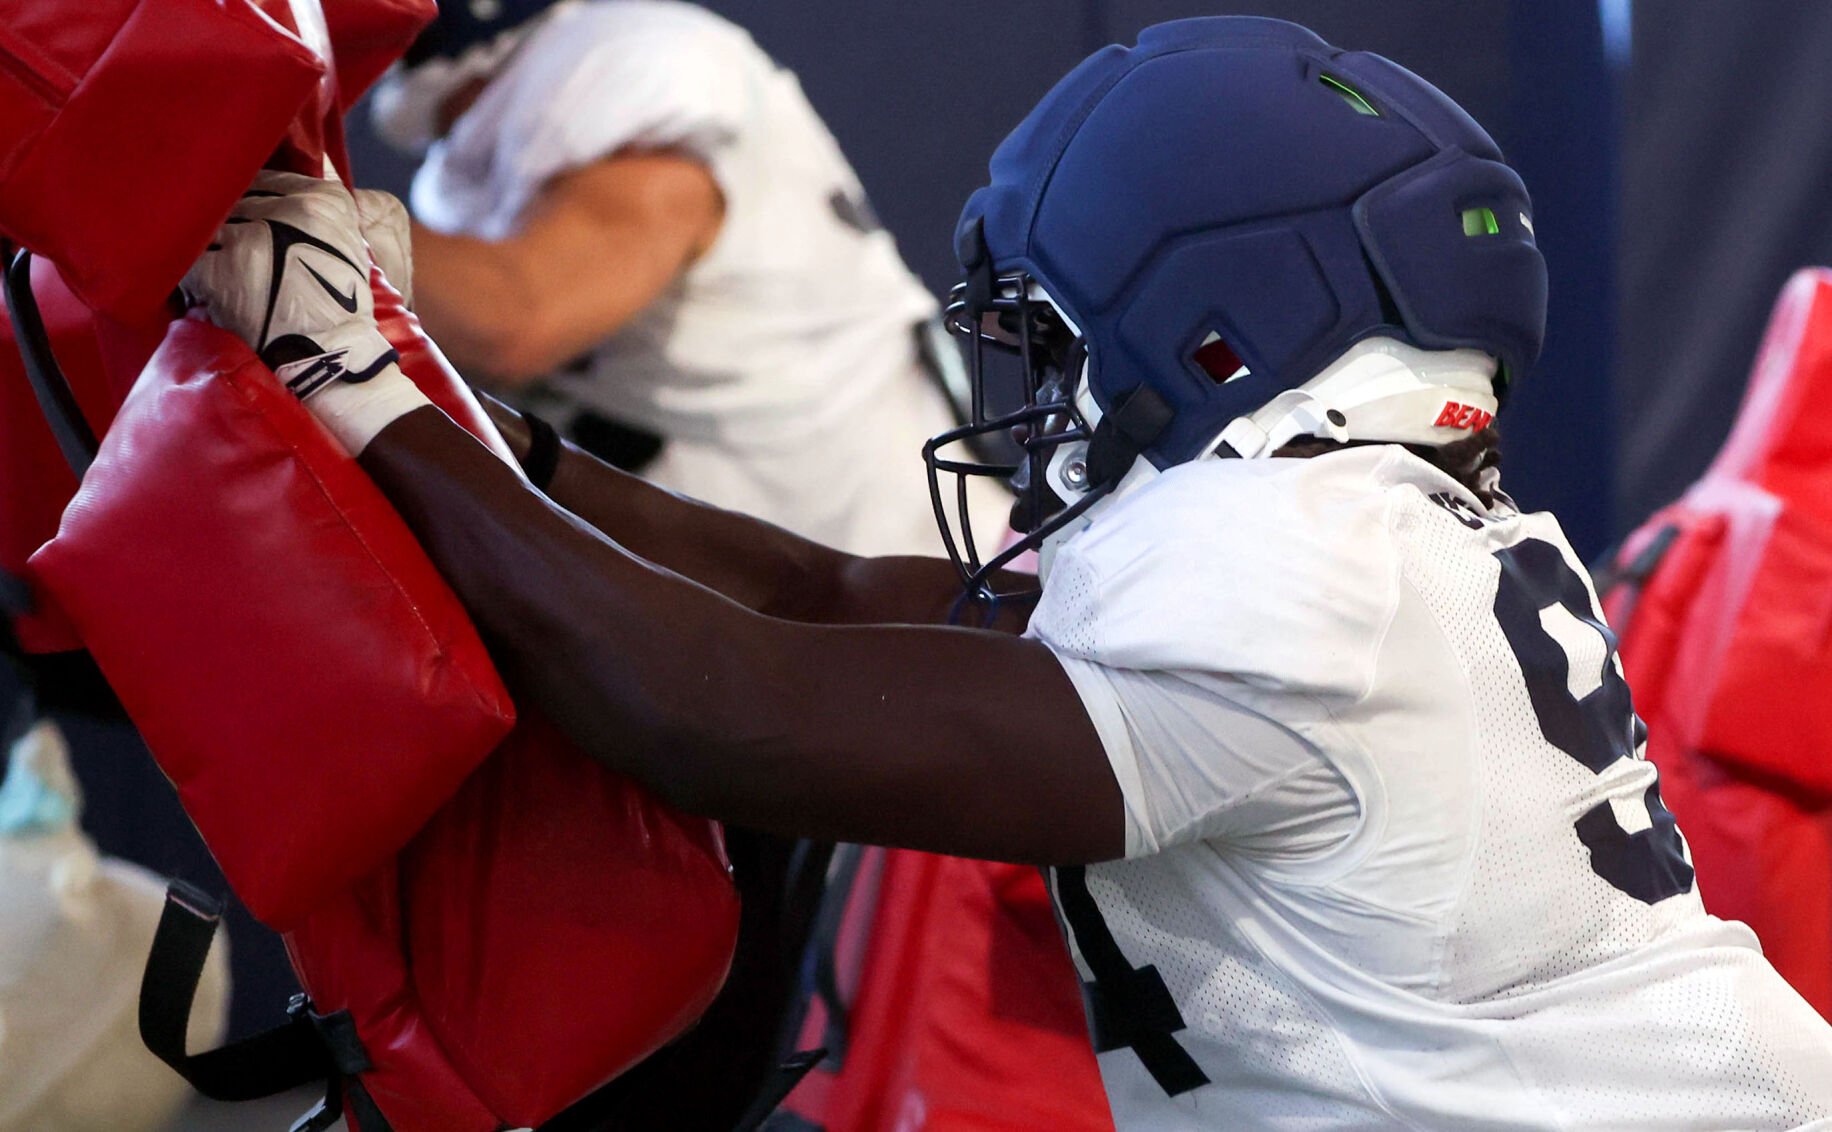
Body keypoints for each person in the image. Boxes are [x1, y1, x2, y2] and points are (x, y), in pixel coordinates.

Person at [184, 17, 1832, 1129]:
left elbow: (721, 711)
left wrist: (358, 395)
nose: (1039, 391)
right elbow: (836, 601)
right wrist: (490, 438)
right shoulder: (1388, 536)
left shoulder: (1299, 564)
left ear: (1225, 321)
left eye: (1052, 337)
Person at [367, 0, 1005, 558]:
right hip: (778, 587)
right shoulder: (475, 148)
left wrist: (325, 218)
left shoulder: (617, 63)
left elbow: (515, 318)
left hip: (905, 575)